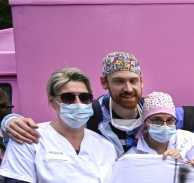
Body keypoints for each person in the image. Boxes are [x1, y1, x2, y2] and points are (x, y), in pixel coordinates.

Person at [3, 52, 144, 156]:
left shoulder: (156, 112)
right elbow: (53, 133)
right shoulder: (91, 111)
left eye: (133, 81)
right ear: (104, 82)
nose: (128, 89)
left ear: (141, 81)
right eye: (118, 81)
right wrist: (9, 120)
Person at [126, 91, 194, 167]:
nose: (165, 125)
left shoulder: (190, 141)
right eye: (157, 120)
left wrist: (184, 165)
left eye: (170, 120)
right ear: (145, 121)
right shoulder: (133, 156)